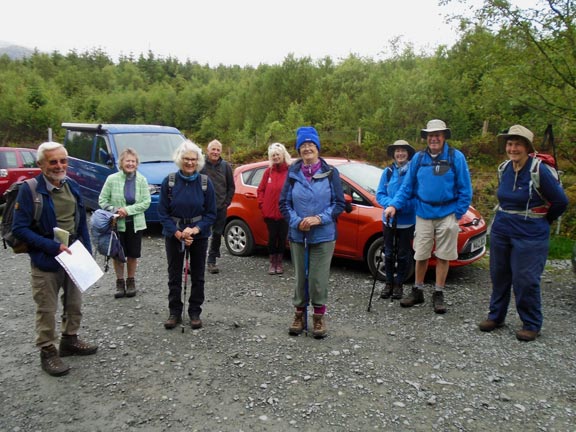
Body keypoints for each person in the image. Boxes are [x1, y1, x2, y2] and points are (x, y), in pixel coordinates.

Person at [12, 141, 97, 377]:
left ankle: (70, 340)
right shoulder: (29, 190)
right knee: (47, 308)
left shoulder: (72, 186)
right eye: (53, 161)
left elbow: (81, 222)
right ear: (41, 164)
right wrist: (51, 247)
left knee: (74, 303)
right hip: (46, 260)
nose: (59, 165)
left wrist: (87, 252)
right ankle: (48, 351)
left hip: (73, 257)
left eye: (63, 160)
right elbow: (20, 229)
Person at [478, 125, 568, 341]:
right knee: (499, 275)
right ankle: (496, 316)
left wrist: (543, 220)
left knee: (525, 279)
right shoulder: (504, 168)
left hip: (530, 234)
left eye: (518, 144)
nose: (513, 148)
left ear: (527, 147)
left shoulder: (539, 171)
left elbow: (560, 202)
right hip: (502, 229)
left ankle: (531, 323)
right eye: (510, 143)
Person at [383, 119, 472, 314]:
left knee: (443, 255)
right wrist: (393, 205)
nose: (434, 138)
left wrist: (457, 214)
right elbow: (407, 186)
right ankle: (418, 290)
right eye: (431, 135)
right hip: (423, 213)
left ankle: (438, 292)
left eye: (437, 134)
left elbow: (465, 189)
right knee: (421, 253)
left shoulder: (455, 157)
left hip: (447, 213)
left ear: (444, 136)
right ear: (426, 137)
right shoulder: (419, 158)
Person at [279, 126, 346, 338]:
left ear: (317, 148)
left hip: (324, 235)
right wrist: (297, 221)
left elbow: (339, 204)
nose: (307, 149)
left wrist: (319, 219)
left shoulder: (330, 173)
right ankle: (299, 315)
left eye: (311, 145)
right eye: (303, 146)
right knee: (300, 277)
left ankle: (318, 317)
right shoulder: (293, 173)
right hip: (298, 235)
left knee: (318, 278)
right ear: (299, 150)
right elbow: (283, 204)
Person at [158, 140, 217, 330]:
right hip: (174, 235)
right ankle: (174, 311)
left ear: (198, 161)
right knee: (174, 275)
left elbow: (211, 214)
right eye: (186, 159)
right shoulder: (170, 181)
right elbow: (162, 213)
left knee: (198, 275)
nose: (190, 163)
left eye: (193, 159)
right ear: (179, 159)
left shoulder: (206, 183)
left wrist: (195, 229)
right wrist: (177, 232)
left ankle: (194, 312)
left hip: (198, 235)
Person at [98, 148, 151, 299]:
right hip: (116, 224)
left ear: (137, 163)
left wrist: (128, 210)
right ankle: (120, 282)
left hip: (135, 224)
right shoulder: (112, 179)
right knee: (117, 254)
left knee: (133, 254)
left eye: (133, 161)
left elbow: (146, 202)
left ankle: (131, 281)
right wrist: (115, 210)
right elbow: (102, 200)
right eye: (127, 161)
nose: (130, 164)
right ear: (121, 162)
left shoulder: (142, 180)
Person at [376, 140, 416, 300]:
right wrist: (389, 206)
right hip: (388, 220)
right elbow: (380, 194)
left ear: (408, 154)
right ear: (393, 154)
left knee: (403, 254)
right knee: (389, 253)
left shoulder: (413, 174)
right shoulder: (387, 172)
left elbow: (415, 198)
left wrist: (398, 207)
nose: (400, 154)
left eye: (403, 151)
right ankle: (388, 283)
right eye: (397, 151)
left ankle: (399, 284)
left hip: (406, 222)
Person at [200, 139, 235, 274]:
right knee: (200, 234)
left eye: (218, 150)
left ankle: (212, 261)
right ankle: (196, 260)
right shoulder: (200, 165)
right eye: (213, 149)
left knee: (217, 234)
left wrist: (227, 202)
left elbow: (231, 186)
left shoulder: (226, 166)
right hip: (202, 207)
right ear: (207, 150)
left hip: (220, 207)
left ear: (221, 152)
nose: (215, 152)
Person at [257, 142, 292, 275]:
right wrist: (262, 204)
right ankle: (272, 262)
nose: (276, 157)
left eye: (277, 154)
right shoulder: (268, 172)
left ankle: (279, 262)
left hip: (284, 213)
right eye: (273, 155)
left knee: (282, 238)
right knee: (272, 238)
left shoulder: (289, 171)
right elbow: (261, 190)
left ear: (283, 155)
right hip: (269, 213)